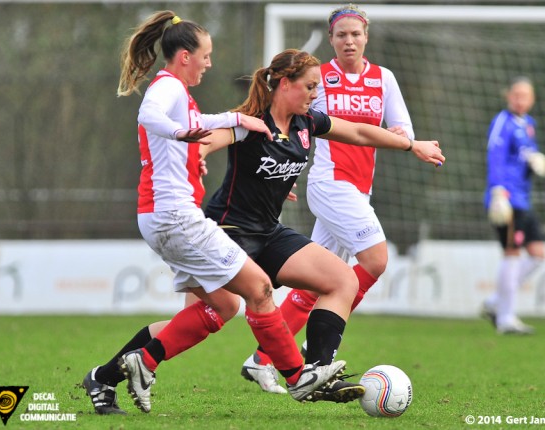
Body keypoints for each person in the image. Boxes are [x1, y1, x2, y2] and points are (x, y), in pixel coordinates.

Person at [82, 11, 349, 415]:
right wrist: (182, 134)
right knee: (259, 290)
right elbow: (148, 116)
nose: (209, 63)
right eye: (205, 55)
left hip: (165, 216)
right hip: (175, 216)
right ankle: (298, 377)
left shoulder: (181, 95)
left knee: (220, 307)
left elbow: (200, 125)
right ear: (185, 55)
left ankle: (105, 378)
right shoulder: (168, 87)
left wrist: (233, 121)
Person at [239, 3, 444, 394]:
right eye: (341, 35)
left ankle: (262, 358)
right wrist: (279, 169)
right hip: (331, 184)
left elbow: (401, 128)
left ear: (366, 37)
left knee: (316, 284)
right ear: (331, 40)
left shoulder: (383, 79)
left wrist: (409, 140)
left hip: (360, 187)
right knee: (375, 259)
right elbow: (286, 120)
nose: (349, 40)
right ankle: (321, 354)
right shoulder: (319, 79)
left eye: (356, 34)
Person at [482, 76, 545, 335]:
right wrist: (498, 191)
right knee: (512, 253)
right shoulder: (503, 122)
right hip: (507, 199)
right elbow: (495, 156)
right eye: (516, 94)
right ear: (508, 95)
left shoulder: (529, 124)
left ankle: (496, 302)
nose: (520, 100)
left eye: (525, 96)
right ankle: (506, 318)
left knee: (538, 254)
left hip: (524, 199)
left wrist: (534, 158)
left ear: (532, 100)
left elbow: (524, 152)